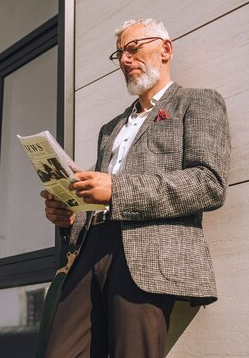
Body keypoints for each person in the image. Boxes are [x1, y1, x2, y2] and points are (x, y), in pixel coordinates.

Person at [40, 18, 231, 357]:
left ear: (165, 49)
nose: (125, 60)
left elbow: (209, 182)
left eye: (133, 49)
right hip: (89, 249)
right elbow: (100, 199)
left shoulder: (197, 102)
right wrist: (71, 217)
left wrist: (116, 189)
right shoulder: (110, 128)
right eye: (119, 55)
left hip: (148, 253)